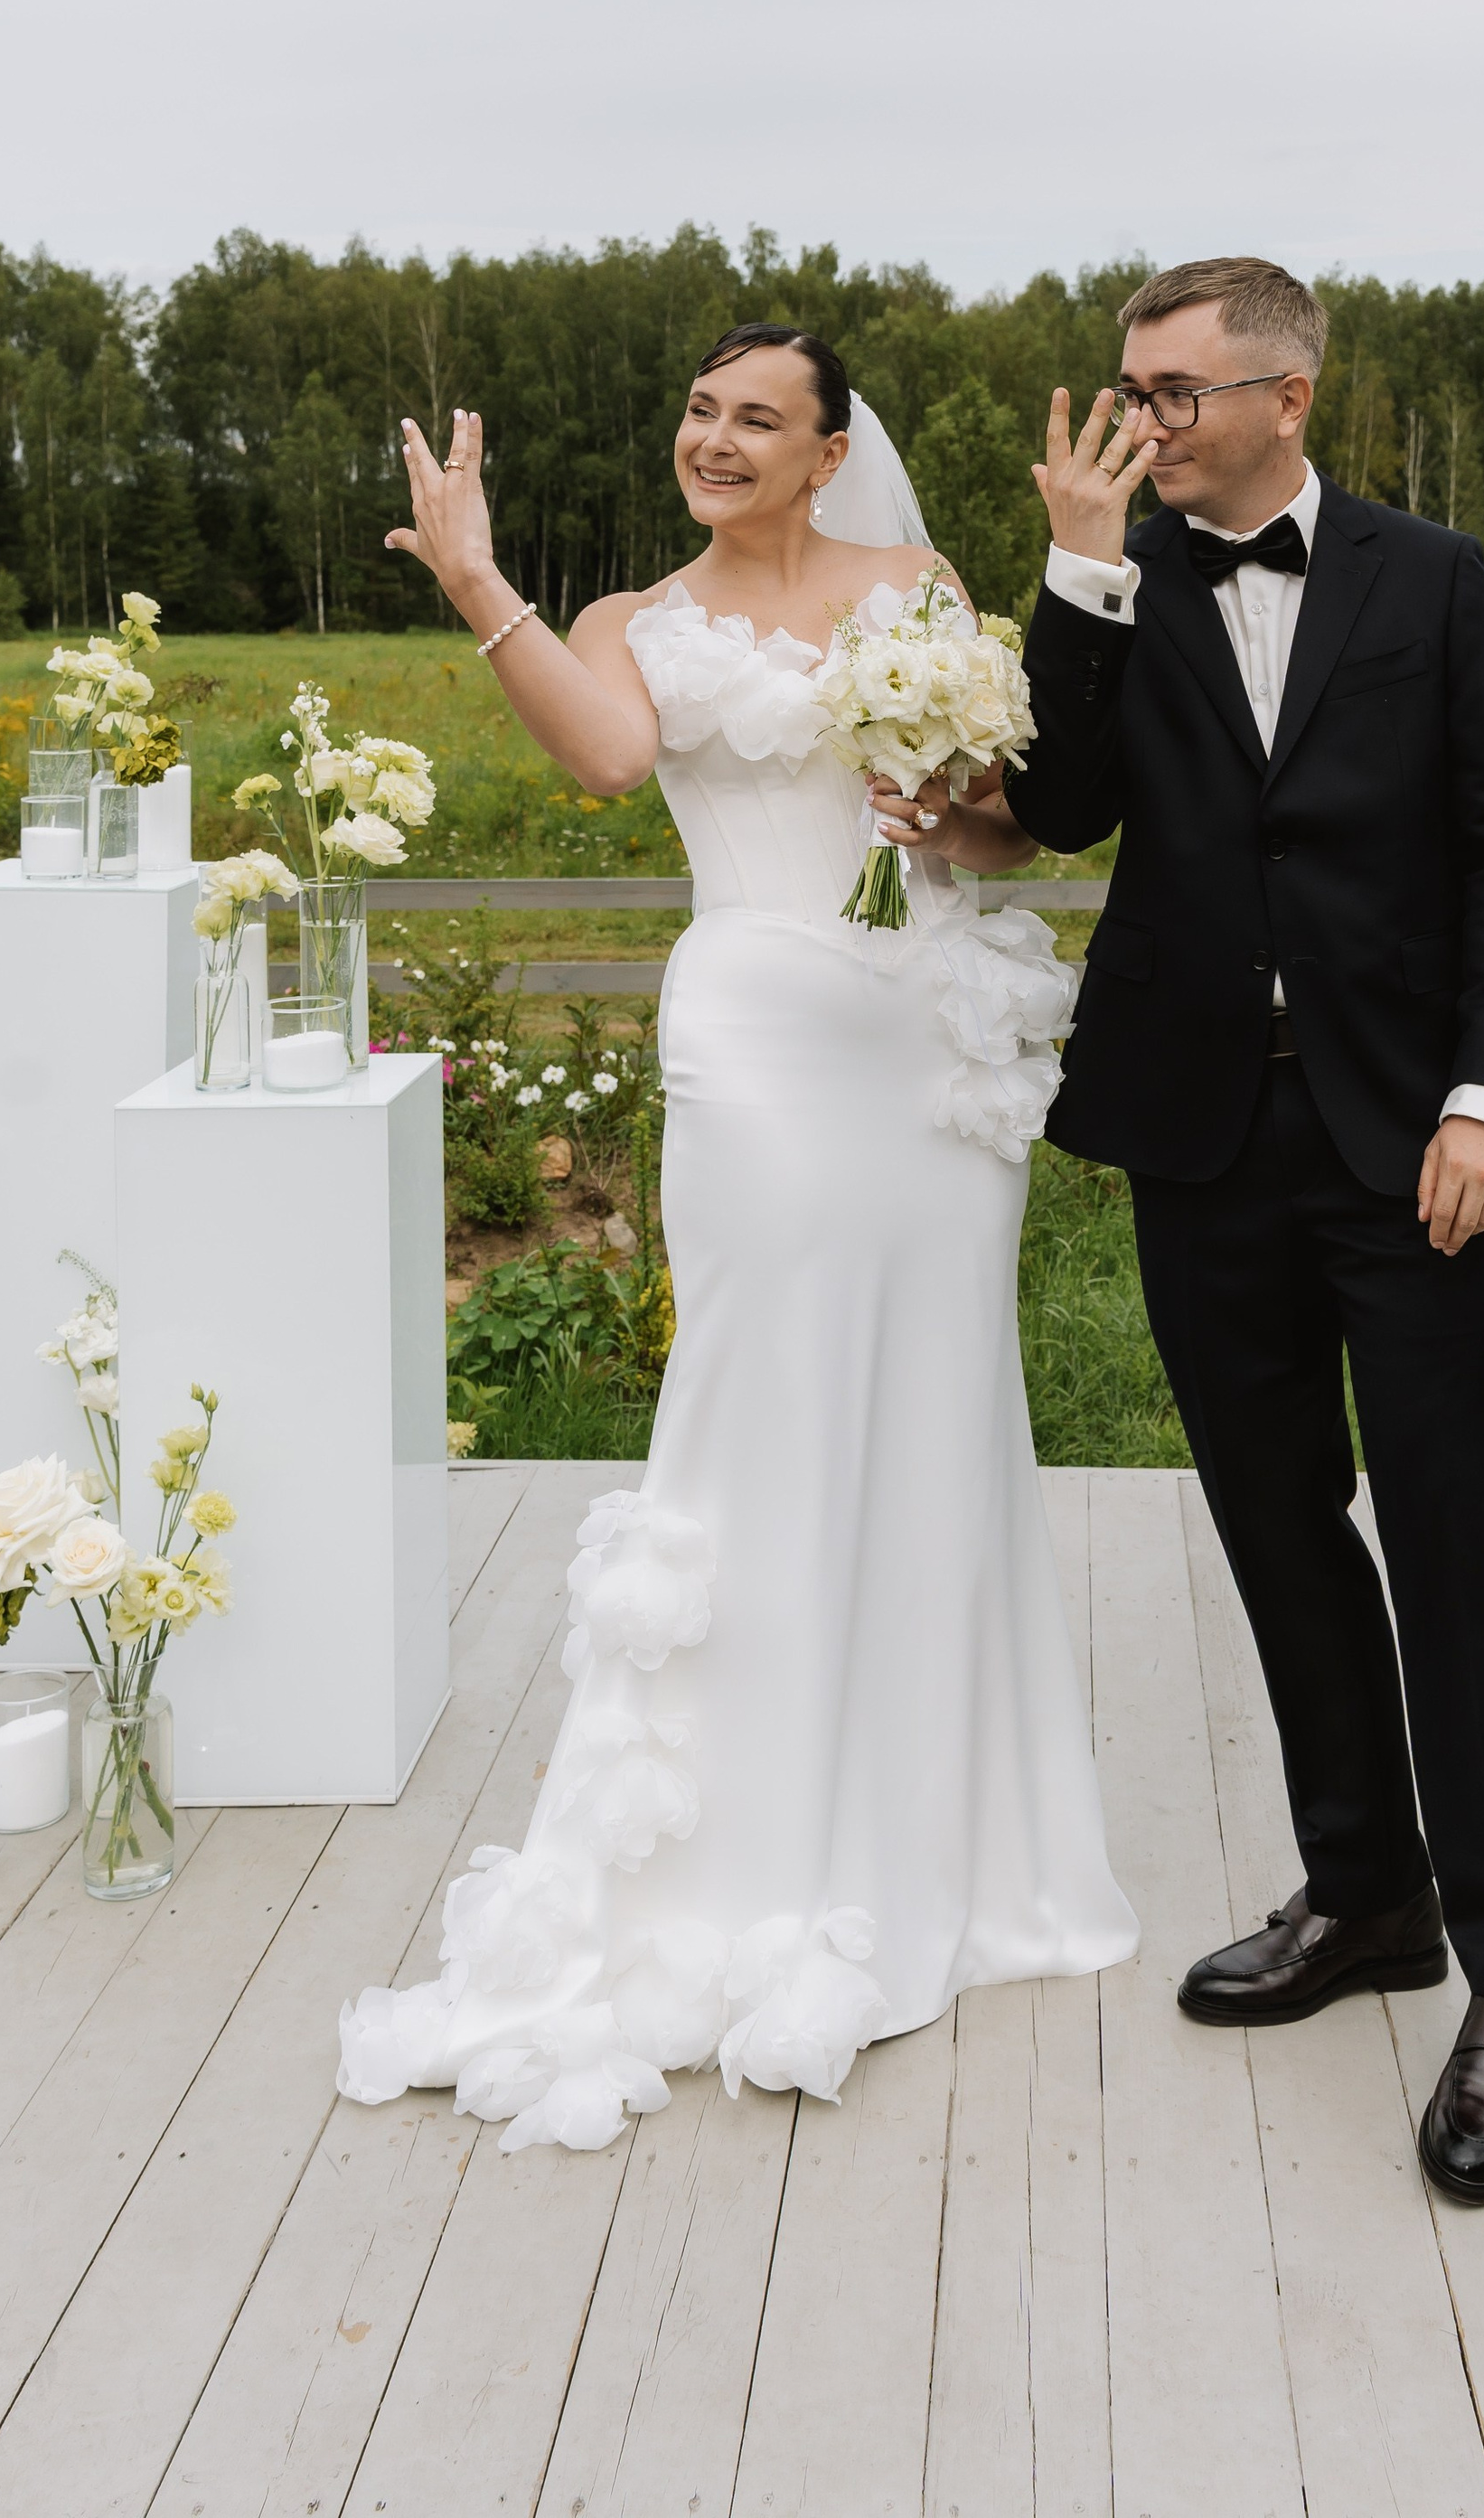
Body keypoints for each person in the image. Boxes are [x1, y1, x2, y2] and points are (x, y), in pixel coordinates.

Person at [337, 326, 1136, 2154]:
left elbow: (1002, 841)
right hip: (758, 1037)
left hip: (925, 1046)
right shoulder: (633, 621)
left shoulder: (917, 584)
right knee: (750, 1407)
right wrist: (474, 578)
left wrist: (951, 811)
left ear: (828, 450)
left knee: (931, 1417)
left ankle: (936, 1844)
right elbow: (610, 761)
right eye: (700, 411)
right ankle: (725, 1847)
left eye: (756, 418)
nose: (716, 437)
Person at [956, 253, 1484, 2205]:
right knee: (1276, 1523)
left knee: (1456, 1542)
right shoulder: (1119, 580)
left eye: (1174, 391)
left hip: (1415, 1145)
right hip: (1201, 1136)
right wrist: (1076, 576)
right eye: (1129, 388)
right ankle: (1366, 1893)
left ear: (1285, 396)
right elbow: (1062, 810)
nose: (1140, 419)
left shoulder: (1434, 582)